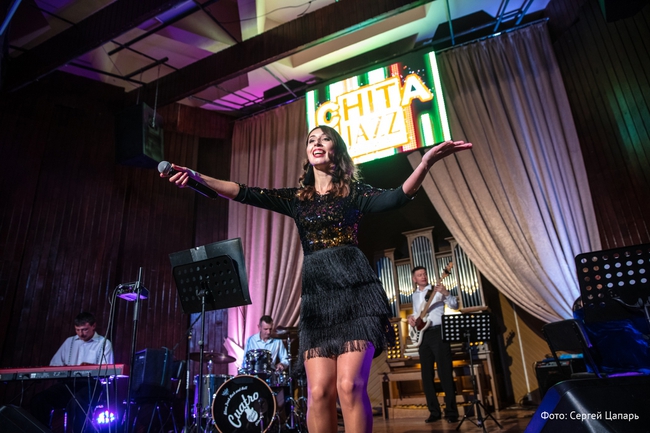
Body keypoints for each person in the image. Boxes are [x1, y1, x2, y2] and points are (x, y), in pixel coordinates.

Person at [161, 124, 471, 433]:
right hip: (317, 302)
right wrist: (197, 177)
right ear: (308, 153)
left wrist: (425, 163)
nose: (317, 142)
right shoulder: (297, 199)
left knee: (349, 386)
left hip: (356, 297)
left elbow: (397, 197)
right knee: (319, 392)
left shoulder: (354, 193)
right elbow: (243, 192)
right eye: (312, 139)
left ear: (337, 151)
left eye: (325, 139)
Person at [30, 312, 114, 433]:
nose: (81, 334)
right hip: (68, 383)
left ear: (93, 326)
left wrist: (90, 367)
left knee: (76, 403)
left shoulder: (104, 343)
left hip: (91, 385)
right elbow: (54, 364)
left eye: (85, 329)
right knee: (39, 400)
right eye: (77, 330)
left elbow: (108, 370)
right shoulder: (69, 342)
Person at [407, 266, 459, 423]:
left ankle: (451, 412)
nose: (423, 276)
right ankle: (434, 412)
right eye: (419, 275)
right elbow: (418, 313)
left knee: (445, 372)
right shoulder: (415, 295)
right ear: (414, 279)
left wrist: (446, 293)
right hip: (424, 336)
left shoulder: (436, 289)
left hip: (438, 332)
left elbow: (454, 305)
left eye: (424, 274)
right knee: (426, 375)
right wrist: (411, 318)